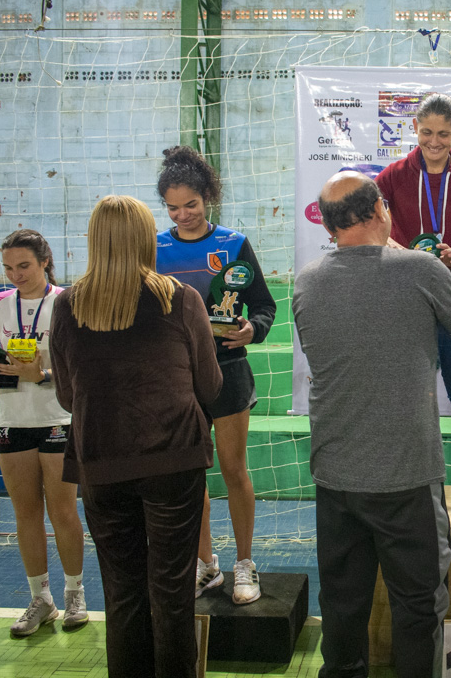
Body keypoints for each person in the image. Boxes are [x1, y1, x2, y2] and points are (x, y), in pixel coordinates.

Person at [292, 171, 451, 677]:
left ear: (330, 225)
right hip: (406, 475)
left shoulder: (307, 280)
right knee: (419, 608)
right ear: (380, 209)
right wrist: (435, 266)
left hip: (335, 474)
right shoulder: (420, 270)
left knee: (342, 606)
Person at [50, 195, 222, 678]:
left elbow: (67, 395)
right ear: (148, 239)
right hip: (173, 462)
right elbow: (210, 386)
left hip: (102, 464)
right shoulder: (179, 298)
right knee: (171, 593)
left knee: (123, 594)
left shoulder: (67, 306)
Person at [155, 146, 277, 604]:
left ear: (208, 198)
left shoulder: (233, 244)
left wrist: (253, 329)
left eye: (191, 204)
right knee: (190, 474)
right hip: (177, 378)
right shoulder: (155, 248)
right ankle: (207, 565)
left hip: (228, 372)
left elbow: (264, 306)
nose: (182, 214)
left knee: (233, 470)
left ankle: (245, 564)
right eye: (173, 206)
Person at [0, 229, 88, 637]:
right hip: (11, 420)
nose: (16, 275)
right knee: (25, 514)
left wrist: (43, 374)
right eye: (9, 268)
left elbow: (82, 365)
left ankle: (74, 593)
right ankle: (40, 598)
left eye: (24, 266)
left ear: (45, 260)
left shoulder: (67, 302)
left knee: (63, 512)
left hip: (58, 418)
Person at [376, 93, 451, 512]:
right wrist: (400, 249)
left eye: (443, 134)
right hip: (406, 296)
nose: (434, 141)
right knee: (408, 391)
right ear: (415, 129)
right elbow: (375, 228)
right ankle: (406, 481)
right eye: (426, 132)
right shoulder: (392, 175)